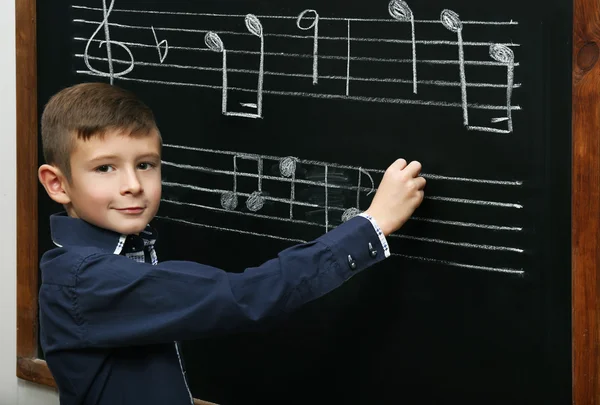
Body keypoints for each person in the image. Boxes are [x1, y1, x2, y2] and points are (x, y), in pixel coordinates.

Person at [37, 82, 426, 405]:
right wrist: (370, 226)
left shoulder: (127, 249)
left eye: (145, 164)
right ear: (57, 184)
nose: (133, 184)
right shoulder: (85, 281)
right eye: (105, 168)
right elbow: (243, 296)